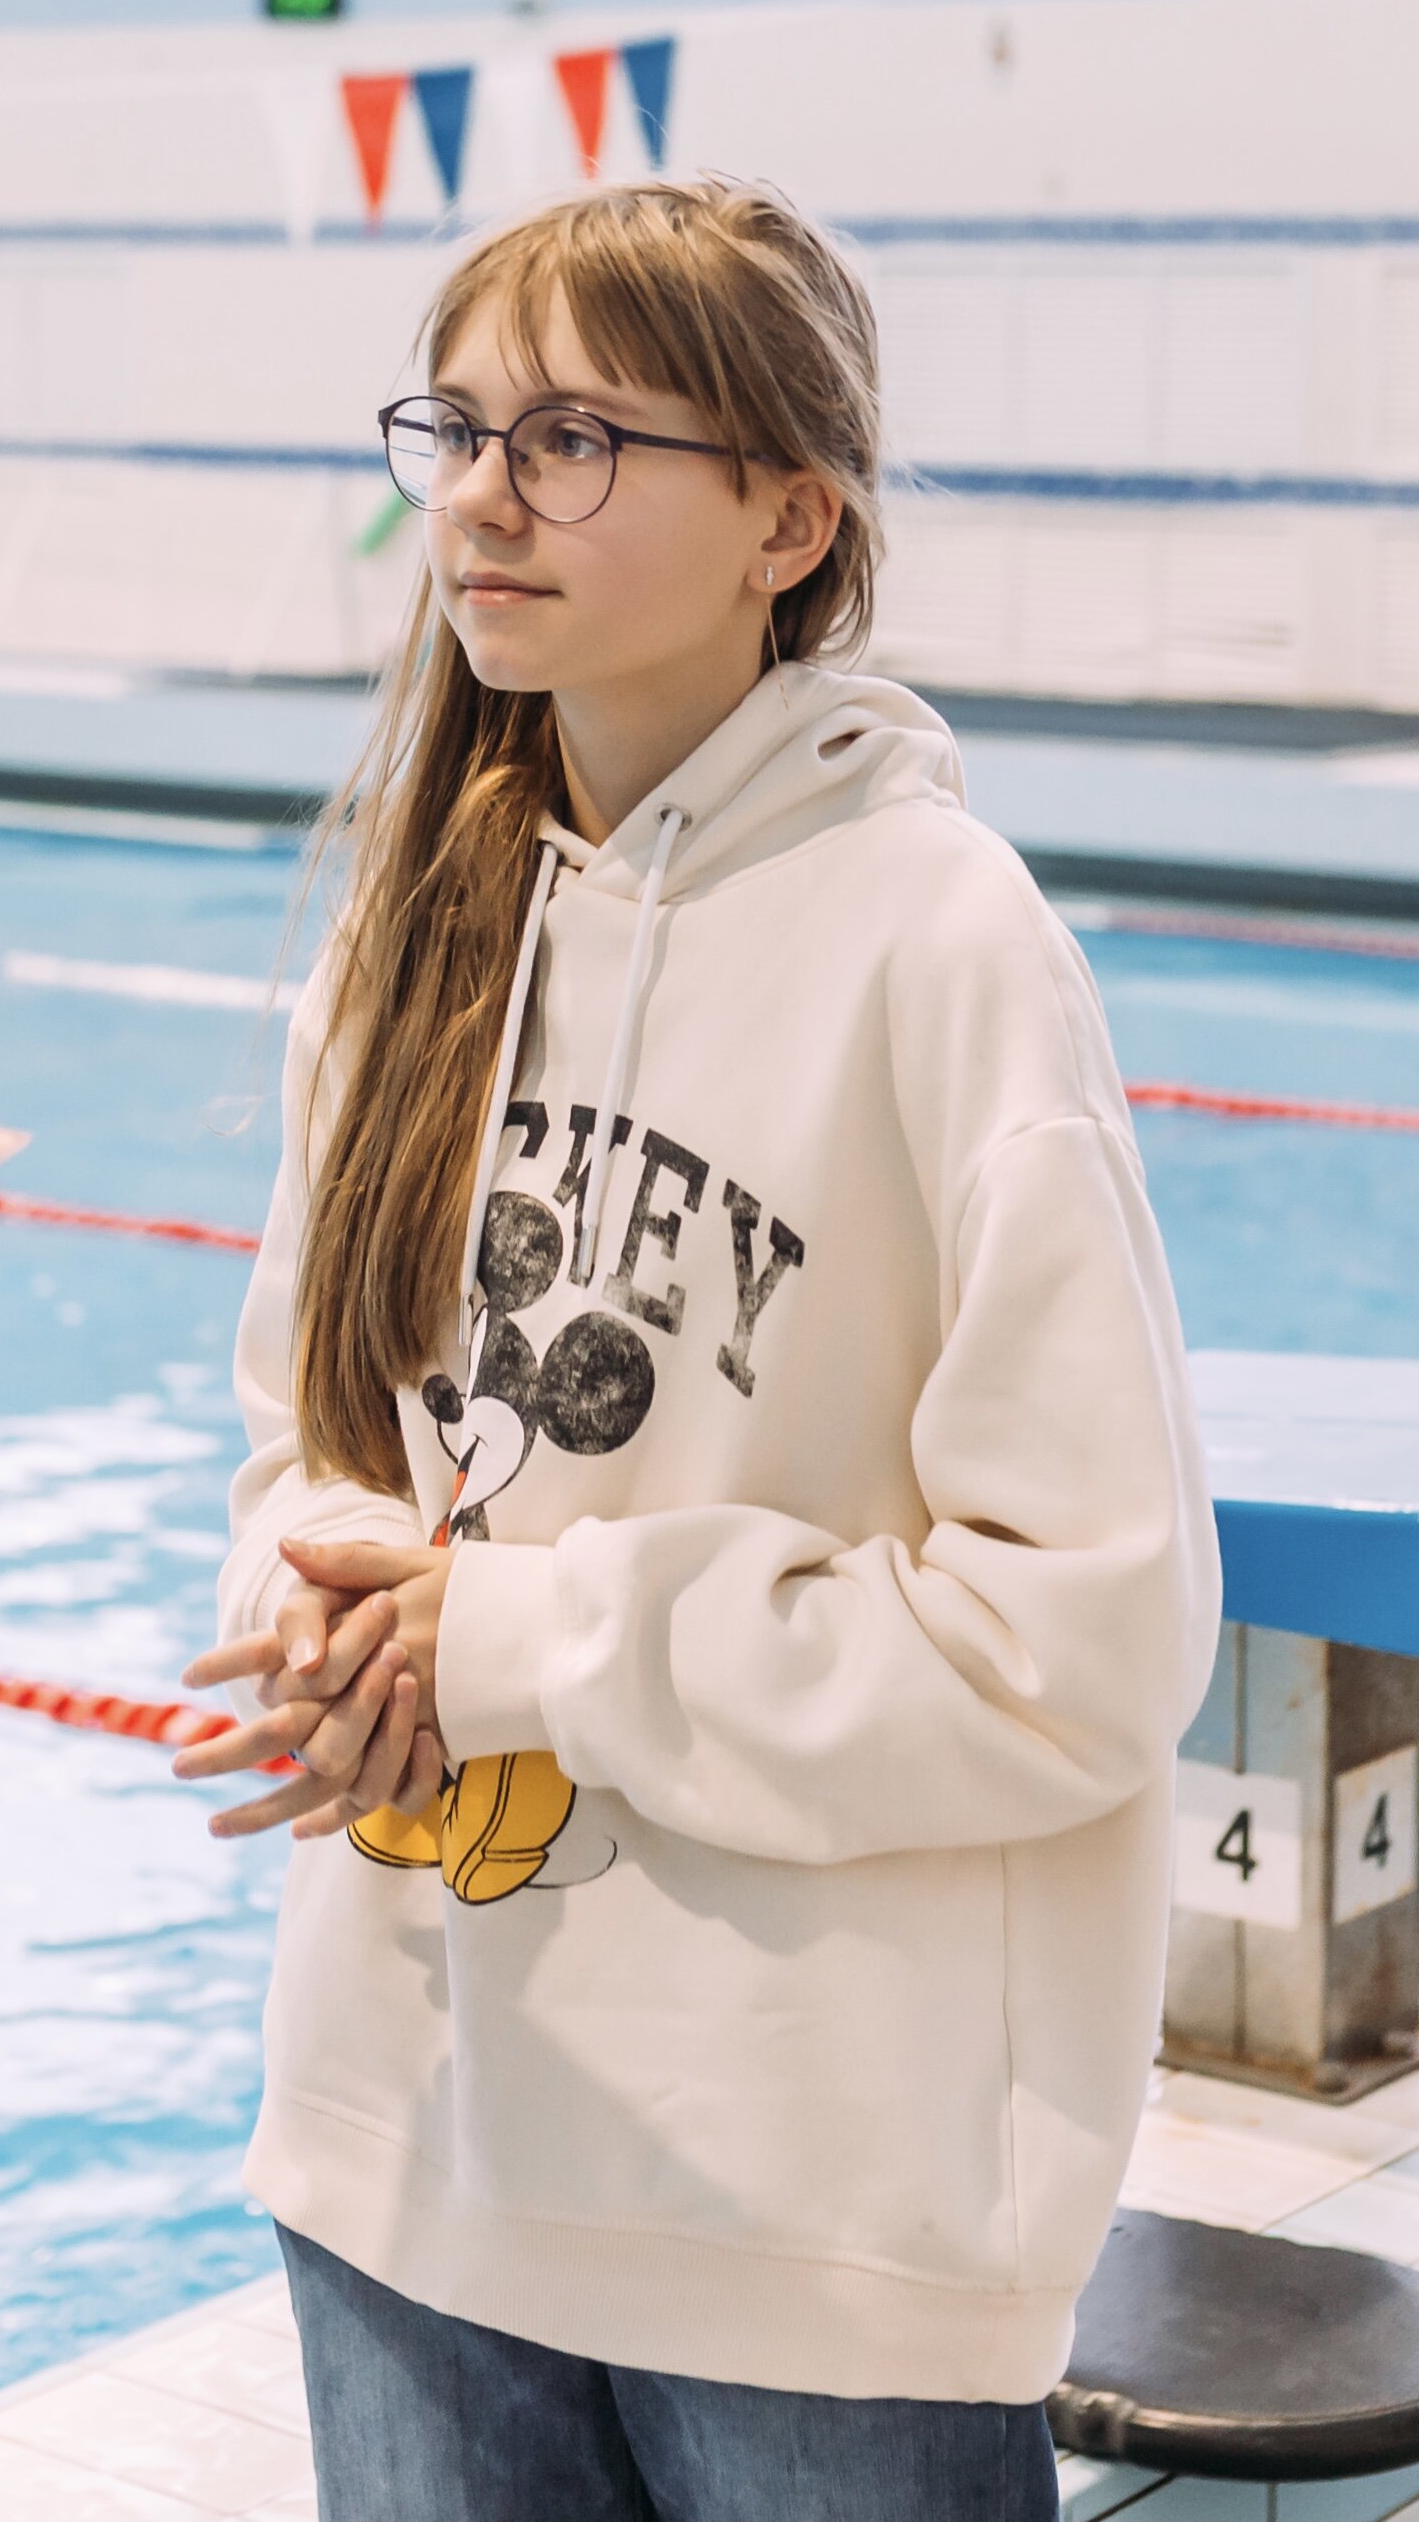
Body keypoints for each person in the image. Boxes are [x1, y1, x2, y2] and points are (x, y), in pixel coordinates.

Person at [175, 176, 1219, 2521]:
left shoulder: (943, 949)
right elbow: (311, 1437)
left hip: (804, 2223)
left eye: (568, 437)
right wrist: (329, 1612)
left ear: (788, 512)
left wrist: (523, 1635)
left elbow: (1088, 1636)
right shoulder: (414, 925)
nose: (475, 492)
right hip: (404, 2154)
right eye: (455, 426)